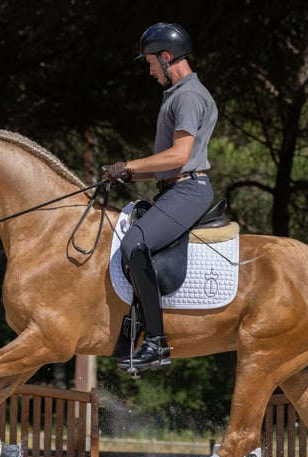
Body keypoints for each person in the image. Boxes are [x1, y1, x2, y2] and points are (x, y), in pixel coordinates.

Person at [103, 22, 218, 374]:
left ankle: (156, 341)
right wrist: (126, 172)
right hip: (176, 188)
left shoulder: (187, 96)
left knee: (134, 245)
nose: (150, 70)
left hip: (188, 189)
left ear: (166, 58)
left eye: (151, 62)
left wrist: (130, 165)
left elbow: (179, 156)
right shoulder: (179, 94)